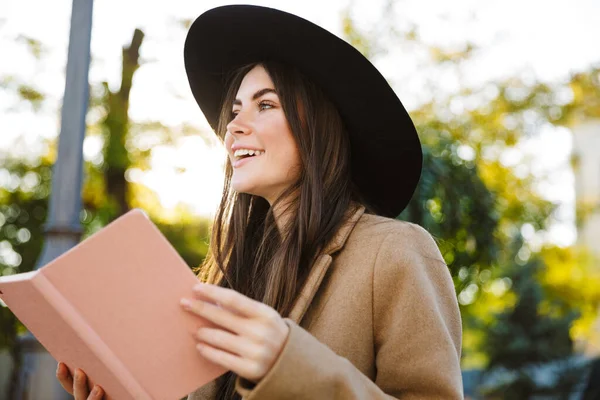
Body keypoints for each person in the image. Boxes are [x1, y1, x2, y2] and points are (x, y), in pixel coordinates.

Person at [56, 5, 463, 400]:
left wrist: (290, 366)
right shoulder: (228, 272)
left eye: (265, 104)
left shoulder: (395, 251)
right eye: (233, 112)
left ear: (319, 128)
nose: (233, 125)